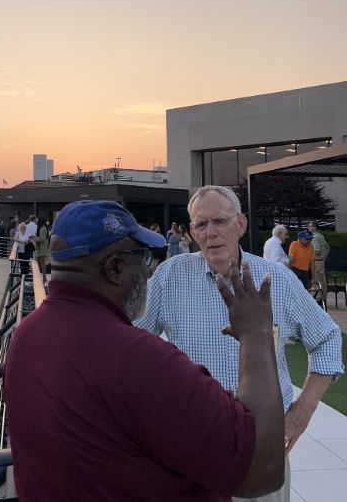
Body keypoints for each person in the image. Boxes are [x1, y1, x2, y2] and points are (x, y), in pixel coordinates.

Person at [5, 200, 286, 501]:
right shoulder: (137, 359)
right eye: (143, 257)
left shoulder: (26, 335)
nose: (148, 269)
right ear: (115, 268)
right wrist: (256, 334)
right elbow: (262, 470)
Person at [137, 186, 342, 502]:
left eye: (220, 221)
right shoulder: (170, 277)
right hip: (190, 441)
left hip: (261, 443)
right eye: (201, 225)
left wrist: (305, 408)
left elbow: (327, 338)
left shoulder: (275, 279)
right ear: (191, 231)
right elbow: (131, 342)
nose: (211, 233)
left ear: (241, 224)